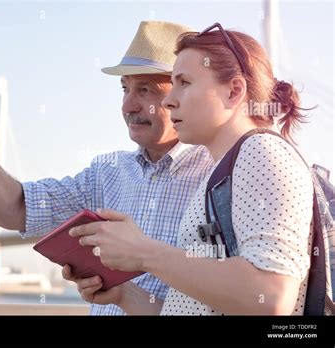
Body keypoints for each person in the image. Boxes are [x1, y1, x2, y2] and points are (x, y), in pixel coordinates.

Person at [0, 21, 214, 315]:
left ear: (182, 93)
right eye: (124, 89)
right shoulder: (107, 171)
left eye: (145, 90)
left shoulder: (217, 174)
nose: (128, 106)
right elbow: (15, 208)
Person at [67, 23, 314, 315]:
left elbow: (270, 297)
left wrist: (143, 253)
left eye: (184, 82)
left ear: (234, 91)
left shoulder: (260, 152)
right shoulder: (223, 170)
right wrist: (124, 294)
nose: (171, 100)